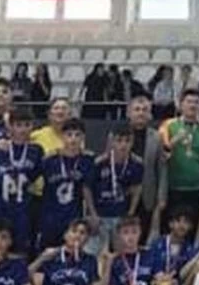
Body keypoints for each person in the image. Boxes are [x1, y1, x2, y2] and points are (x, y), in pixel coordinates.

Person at [0, 113, 45, 257]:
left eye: (26, 125)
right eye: (18, 125)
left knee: (21, 254)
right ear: (10, 127)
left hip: (22, 212)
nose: (22, 130)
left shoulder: (36, 151)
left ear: (32, 127)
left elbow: (35, 176)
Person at [159, 89, 199, 240]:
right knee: (168, 228)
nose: (193, 105)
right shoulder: (168, 125)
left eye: (196, 102)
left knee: (190, 229)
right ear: (181, 104)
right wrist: (174, 141)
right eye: (189, 101)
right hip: (173, 186)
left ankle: (188, 259)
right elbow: (162, 153)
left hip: (195, 187)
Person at [37, 119, 97, 251]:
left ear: (83, 137)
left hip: (73, 217)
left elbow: (87, 189)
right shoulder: (49, 160)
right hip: (50, 217)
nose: (73, 139)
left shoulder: (87, 160)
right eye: (69, 135)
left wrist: (92, 214)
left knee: (72, 252)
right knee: (48, 253)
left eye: (77, 135)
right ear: (63, 136)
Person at [88, 123, 144, 254]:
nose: (123, 145)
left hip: (121, 215)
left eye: (127, 141)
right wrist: (92, 214)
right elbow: (87, 189)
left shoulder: (136, 164)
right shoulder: (99, 163)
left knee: (122, 254)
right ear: (112, 141)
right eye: (119, 140)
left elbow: (137, 188)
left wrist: (130, 212)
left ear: (132, 142)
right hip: (100, 215)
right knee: (95, 254)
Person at [125, 94, 167, 239]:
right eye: (137, 109)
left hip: (147, 195)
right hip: (123, 194)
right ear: (129, 113)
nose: (141, 113)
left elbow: (161, 169)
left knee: (142, 236)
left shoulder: (156, 137)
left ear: (150, 114)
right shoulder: (118, 134)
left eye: (144, 110)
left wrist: (161, 196)